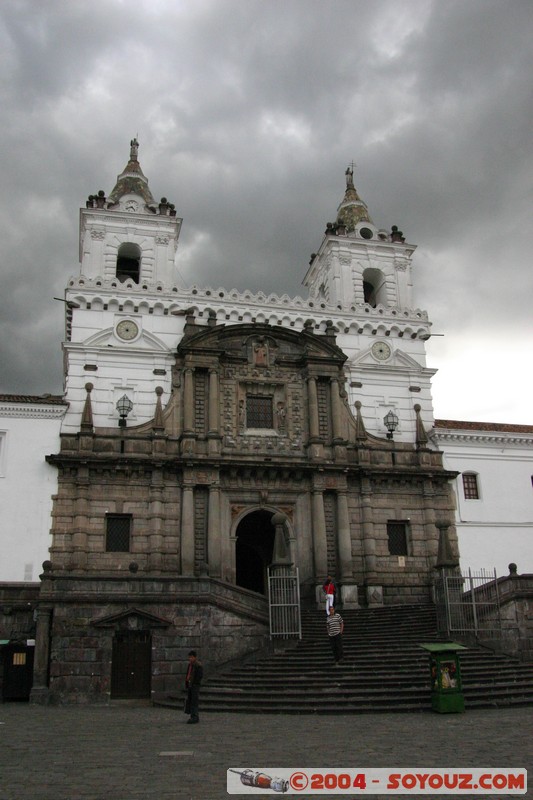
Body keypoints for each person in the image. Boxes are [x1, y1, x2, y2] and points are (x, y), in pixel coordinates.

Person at [185, 650, 203, 724]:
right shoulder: (190, 665)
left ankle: (195, 716)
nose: (190, 659)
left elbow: (199, 676)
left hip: (195, 685)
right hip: (190, 685)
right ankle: (192, 715)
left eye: (191, 657)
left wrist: (195, 683)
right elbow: (188, 674)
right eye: (189, 657)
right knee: (191, 701)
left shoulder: (198, 666)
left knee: (194, 701)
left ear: (195, 657)